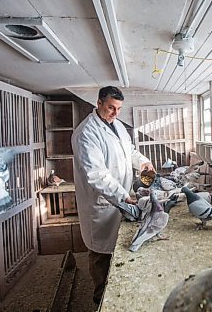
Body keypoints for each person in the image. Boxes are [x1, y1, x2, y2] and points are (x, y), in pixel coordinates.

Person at [71, 86, 154, 305]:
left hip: (120, 199)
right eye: (111, 107)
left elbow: (130, 151)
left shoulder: (116, 125)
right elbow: (97, 175)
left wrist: (142, 161)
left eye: (118, 108)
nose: (115, 113)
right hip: (102, 204)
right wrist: (122, 196)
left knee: (117, 252)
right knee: (101, 255)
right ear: (98, 103)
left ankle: (117, 297)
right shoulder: (86, 133)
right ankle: (100, 301)